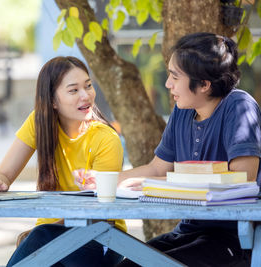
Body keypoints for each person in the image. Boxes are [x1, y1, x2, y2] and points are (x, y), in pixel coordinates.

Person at [75, 32, 261, 266]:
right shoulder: (182, 110)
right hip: (189, 232)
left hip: (234, 239)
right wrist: (105, 180)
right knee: (128, 264)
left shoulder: (239, 106)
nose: (167, 84)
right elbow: (155, 169)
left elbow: (243, 179)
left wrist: (163, 184)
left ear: (204, 84)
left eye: (174, 76)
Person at [0, 56, 126, 266]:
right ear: (52, 101)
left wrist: (47, 231)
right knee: (42, 242)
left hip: (102, 238)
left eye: (88, 86)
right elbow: (4, 174)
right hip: (48, 238)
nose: (86, 95)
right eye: (74, 90)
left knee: (41, 238)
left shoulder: (106, 139)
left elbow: (101, 214)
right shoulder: (39, 123)